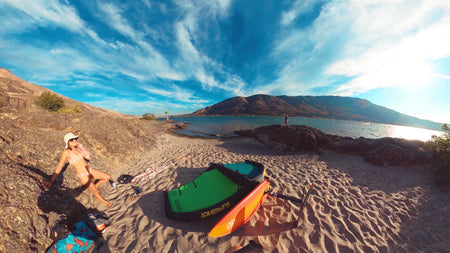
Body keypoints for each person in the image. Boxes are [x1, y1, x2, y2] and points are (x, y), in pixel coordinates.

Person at [42, 133, 113, 207]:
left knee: (107, 177)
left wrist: (82, 147)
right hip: (82, 175)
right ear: (68, 142)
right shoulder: (66, 152)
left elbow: (88, 157)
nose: (75, 141)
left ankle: (95, 186)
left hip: (89, 170)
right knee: (95, 192)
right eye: (72, 140)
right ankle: (107, 204)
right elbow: (59, 166)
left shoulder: (78, 148)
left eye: (75, 139)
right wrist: (51, 181)